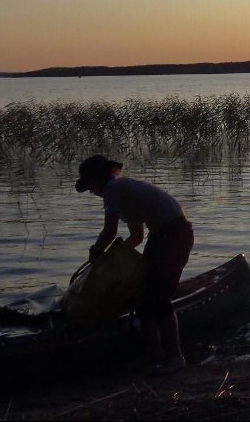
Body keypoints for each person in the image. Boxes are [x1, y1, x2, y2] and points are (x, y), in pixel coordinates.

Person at [75, 154, 194, 375]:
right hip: (162, 235)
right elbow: (136, 237)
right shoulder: (122, 192)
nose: (90, 191)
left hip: (174, 234)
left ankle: (175, 357)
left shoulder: (113, 190)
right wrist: (112, 257)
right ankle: (154, 355)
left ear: (98, 178)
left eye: (90, 185)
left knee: (157, 297)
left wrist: (96, 252)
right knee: (143, 296)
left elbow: (110, 232)